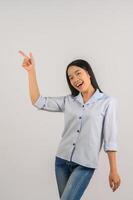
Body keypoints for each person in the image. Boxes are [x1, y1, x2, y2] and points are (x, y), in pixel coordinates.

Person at [19, 50, 121, 200]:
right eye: (70, 77)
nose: (75, 79)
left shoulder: (107, 102)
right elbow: (38, 102)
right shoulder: (69, 101)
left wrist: (114, 170)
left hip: (85, 164)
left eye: (78, 73)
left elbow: (110, 139)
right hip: (61, 161)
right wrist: (31, 72)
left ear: (88, 73)